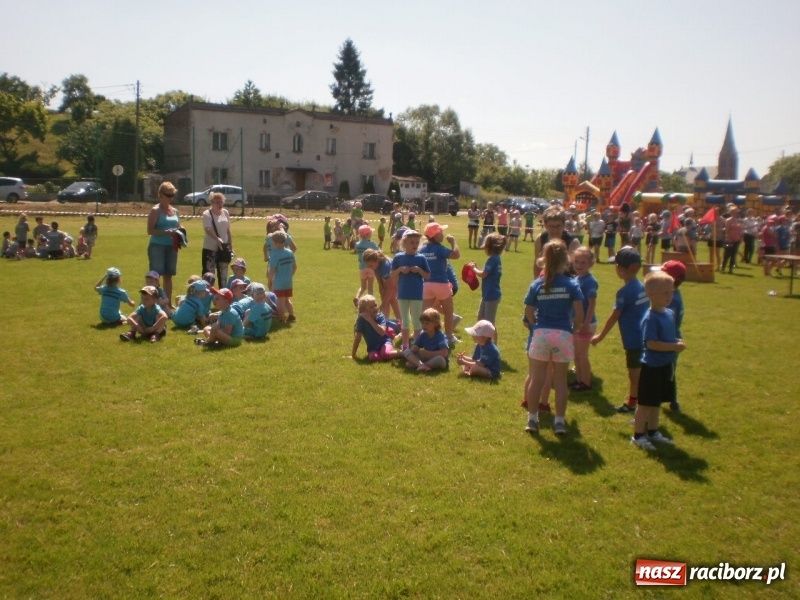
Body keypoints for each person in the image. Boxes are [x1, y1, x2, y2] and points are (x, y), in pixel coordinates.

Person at [523, 240, 584, 435]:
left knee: (537, 379)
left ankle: (532, 419)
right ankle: (559, 422)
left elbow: (529, 313)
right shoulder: (571, 284)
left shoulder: (537, 284)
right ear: (567, 260)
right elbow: (579, 313)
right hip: (563, 334)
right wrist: (573, 329)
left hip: (541, 334)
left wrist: (536, 326)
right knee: (560, 381)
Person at [630, 271, 686, 451]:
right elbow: (652, 344)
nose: (670, 296)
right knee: (645, 404)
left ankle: (653, 431)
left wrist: (676, 342)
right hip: (652, 367)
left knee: (656, 403)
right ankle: (638, 436)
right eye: (665, 293)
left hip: (665, 366)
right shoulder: (650, 318)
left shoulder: (669, 313)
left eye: (671, 292)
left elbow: (669, 337)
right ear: (651, 295)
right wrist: (673, 347)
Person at [591, 246, 649, 414]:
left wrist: (600, 336)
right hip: (646, 335)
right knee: (641, 372)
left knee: (634, 375)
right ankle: (639, 404)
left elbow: (615, 315)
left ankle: (635, 405)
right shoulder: (643, 286)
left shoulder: (624, 292)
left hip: (634, 338)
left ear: (620, 269)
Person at [420, 222, 461, 345]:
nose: (443, 235)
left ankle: (425, 335)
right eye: (441, 233)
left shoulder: (422, 249)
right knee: (448, 313)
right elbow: (456, 255)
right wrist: (453, 242)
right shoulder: (440, 248)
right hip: (442, 284)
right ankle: (449, 336)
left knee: (426, 313)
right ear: (436, 236)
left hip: (426, 285)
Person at [392, 229, 431, 350]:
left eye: (416, 242)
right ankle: (405, 345)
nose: (414, 245)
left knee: (417, 320)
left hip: (417, 294)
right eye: (411, 243)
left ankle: (417, 345)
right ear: (404, 243)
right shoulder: (398, 257)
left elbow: (428, 275)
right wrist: (400, 270)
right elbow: (392, 274)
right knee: (405, 320)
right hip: (403, 294)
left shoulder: (421, 258)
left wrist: (419, 270)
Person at [147, 182, 181, 307]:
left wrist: (181, 231)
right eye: (168, 195)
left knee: (168, 276)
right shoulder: (155, 210)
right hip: (157, 246)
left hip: (172, 247)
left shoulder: (175, 211)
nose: (171, 198)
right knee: (155, 276)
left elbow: (178, 226)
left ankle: (168, 303)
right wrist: (165, 232)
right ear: (160, 194)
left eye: (172, 195)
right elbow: (150, 231)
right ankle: (152, 302)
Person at [467, 232, 504, 344]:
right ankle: (483, 342)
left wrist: (474, 268)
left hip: (491, 295)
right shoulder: (495, 258)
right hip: (488, 295)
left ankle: (493, 345)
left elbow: (483, 274)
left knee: (489, 323)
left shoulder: (493, 259)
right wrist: (477, 268)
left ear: (489, 247)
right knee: (481, 317)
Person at [571, 247, 598, 391]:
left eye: (583, 263)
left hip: (586, 323)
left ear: (590, 264)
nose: (579, 265)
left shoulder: (589, 281)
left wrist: (586, 323)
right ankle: (579, 380)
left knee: (582, 354)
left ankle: (586, 382)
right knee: (576, 353)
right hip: (577, 323)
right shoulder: (576, 279)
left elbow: (592, 303)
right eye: (576, 262)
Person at [351, 294, 402, 361]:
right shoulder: (361, 320)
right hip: (373, 347)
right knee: (373, 357)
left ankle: (404, 353)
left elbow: (382, 332)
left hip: (385, 342)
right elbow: (358, 338)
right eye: (371, 307)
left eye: (375, 305)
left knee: (385, 354)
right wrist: (353, 355)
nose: (375, 308)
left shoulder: (380, 317)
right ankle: (384, 356)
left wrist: (370, 320)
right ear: (364, 310)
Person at [202, 191, 234, 286]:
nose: (219, 204)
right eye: (217, 202)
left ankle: (223, 296)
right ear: (212, 203)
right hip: (210, 248)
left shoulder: (225, 213)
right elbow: (207, 229)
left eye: (221, 202)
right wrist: (217, 239)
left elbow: (228, 230)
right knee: (209, 275)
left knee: (223, 276)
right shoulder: (207, 214)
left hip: (223, 248)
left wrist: (231, 246)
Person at [363, 248, 401, 324]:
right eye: (367, 265)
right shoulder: (375, 266)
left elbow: (391, 287)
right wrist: (382, 293)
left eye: (370, 265)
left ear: (377, 261)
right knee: (385, 297)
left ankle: (401, 323)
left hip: (398, 281)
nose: (369, 267)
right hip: (390, 282)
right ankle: (385, 322)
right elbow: (380, 282)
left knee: (393, 300)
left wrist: (383, 304)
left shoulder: (385, 267)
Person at [269, 230, 297, 322]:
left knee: (280, 301)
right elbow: (295, 266)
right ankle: (292, 316)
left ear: (276, 242)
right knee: (287, 299)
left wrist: (270, 281)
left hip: (279, 282)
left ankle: (281, 318)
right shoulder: (289, 252)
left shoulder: (274, 255)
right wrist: (290, 275)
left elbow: (272, 270)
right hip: (288, 281)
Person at [354, 224, 380, 305]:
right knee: (370, 287)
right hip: (371, 267)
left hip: (362, 267)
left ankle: (357, 297)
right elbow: (379, 251)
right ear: (368, 235)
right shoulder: (372, 244)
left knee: (363, 286)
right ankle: (370, 302)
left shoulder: (358, 244)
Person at [722, 206, 744, 273]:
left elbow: (740, 230)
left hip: (737, 239)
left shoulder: (738, 220)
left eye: (737, 212)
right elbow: (727, 231)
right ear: (731, 213)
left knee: (733, 255)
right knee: (727, 255)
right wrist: (729, 239)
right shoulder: (728, 220)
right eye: (735, 212)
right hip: (730, 239)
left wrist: (741, 237)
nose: (737, 213)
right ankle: (723, 268)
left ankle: (731, 269)